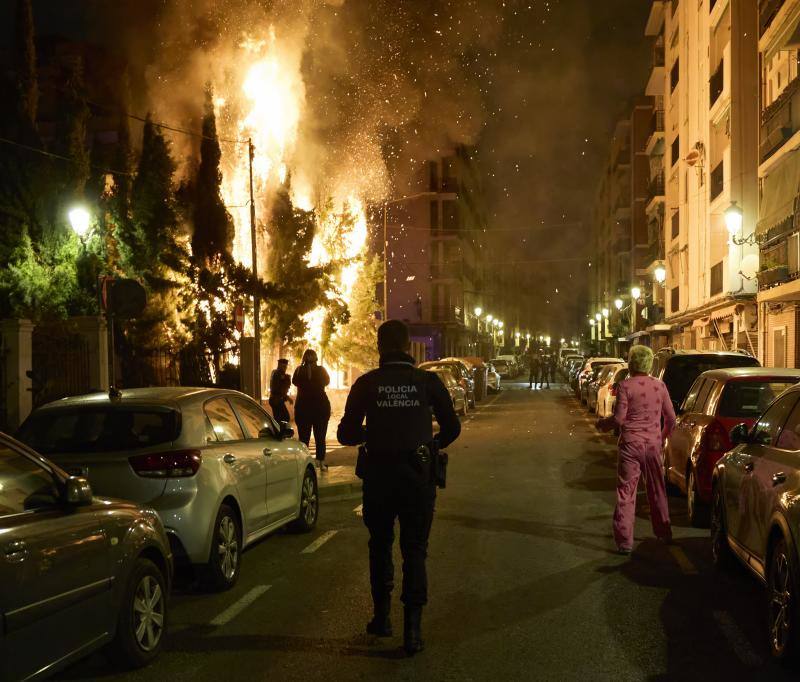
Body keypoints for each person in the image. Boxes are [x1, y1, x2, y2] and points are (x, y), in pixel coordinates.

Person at [337, 320, 461, 656]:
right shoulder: (426, 381)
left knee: (380, 546)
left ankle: (382, 618)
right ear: (408, 347)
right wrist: (430, 444)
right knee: (415, 550)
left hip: (378, 477)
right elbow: (452, 426)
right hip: (417, 477)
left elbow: (346, 434)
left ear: (380, 347)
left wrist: (374, 433)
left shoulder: (366, 384)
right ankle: (413, 629)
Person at [597, 345, 676, 554]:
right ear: (649, 364)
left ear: (631, 363)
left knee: (626, 492)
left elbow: (619, 419)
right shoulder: (660, 386)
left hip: (630, 445)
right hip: (652, 445)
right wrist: (661, 436)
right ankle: (664, 531)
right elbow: (671, 419)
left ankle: (625, 542)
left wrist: (603, 425)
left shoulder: (625, 386)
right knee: (657, 489)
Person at [292, 349, 331, 471]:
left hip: (303, 409)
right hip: (320, 408)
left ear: (303, 358)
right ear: (316, 358)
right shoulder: (321, 370)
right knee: (320, 437)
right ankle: (321, 462)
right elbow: (327, 381)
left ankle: (304, 464)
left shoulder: (299, 370)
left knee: (304, 438)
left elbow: (294, 382)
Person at [268, 358, 292, 424]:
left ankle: (278, 431)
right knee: (285, 417)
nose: (285, 368)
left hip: (275, 399)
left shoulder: (275, 372)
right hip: (276, 400)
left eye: (286, 366)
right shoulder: (279, 374)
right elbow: (280, 389)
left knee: (279, 418)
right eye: (284, 366)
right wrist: (287, 397)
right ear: (279, 365)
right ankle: (279, 432)